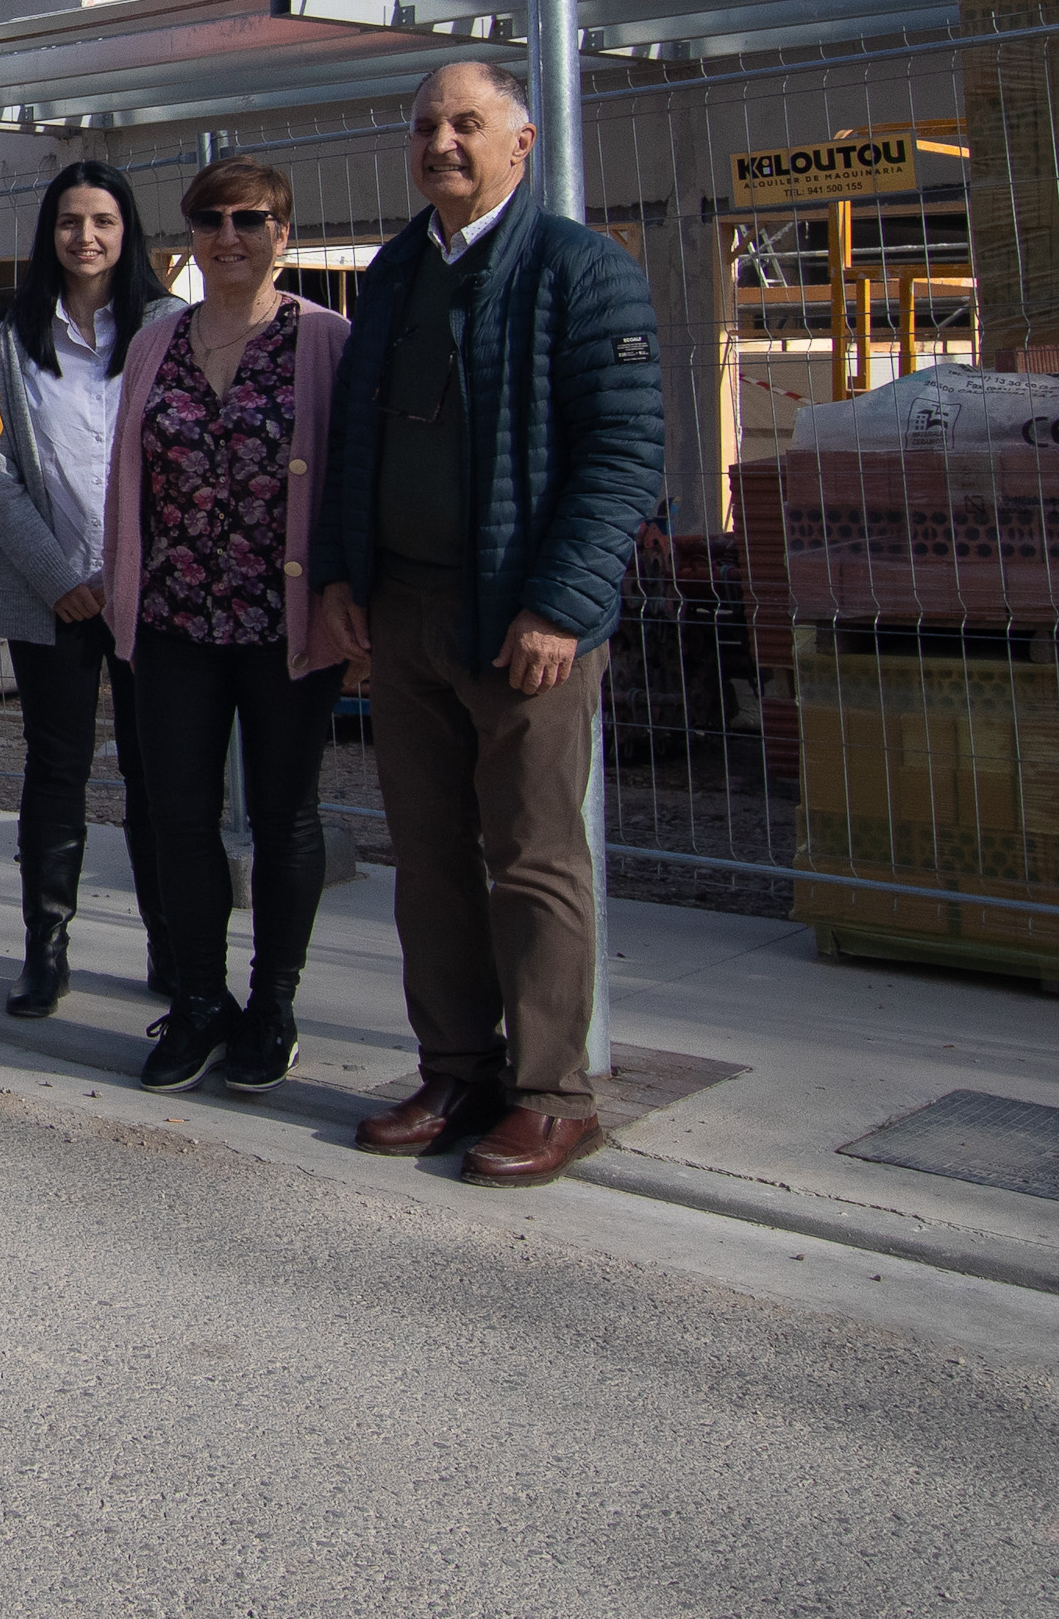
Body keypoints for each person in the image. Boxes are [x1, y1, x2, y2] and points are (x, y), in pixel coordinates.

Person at [324, 60, 664, 1188]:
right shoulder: (392, 274)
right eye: (425, 125)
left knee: (531, 856)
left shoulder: (579, 271)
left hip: (521, 620)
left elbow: (621, 458)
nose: (441, 143)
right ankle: (456, 1066)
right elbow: (353, 443)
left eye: (465, 124)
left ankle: (552, 1094)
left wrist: (559, 605)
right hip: (408, 610)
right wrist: (342, 577)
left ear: (519, 143)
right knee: (426, 854)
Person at [106, 155, 355, 1099]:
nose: (230, 236)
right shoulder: (156, 344)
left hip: (281, 621)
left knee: (288, 815)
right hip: (174, 618)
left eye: (251, 220)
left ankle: (273, 1004)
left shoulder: (325, 339)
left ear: (283, 234)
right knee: (178, 816)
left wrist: (347, 595)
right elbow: (126, 482)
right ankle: (199, 1000)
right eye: (211, 220)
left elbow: (346, 475)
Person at [0, 160, 181, 1016]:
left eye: (102, 219)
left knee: (157, 775)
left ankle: (172, 949)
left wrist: (130, 573)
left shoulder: (171, 328)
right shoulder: (9, 337)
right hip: (48, 593)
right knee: (54, 771)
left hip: (151, 594)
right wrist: (60, 578)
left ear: (128, 229)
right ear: (48, 232)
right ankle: (45, 950)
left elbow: (184, 467)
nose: (86, 236)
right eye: (69, 220)